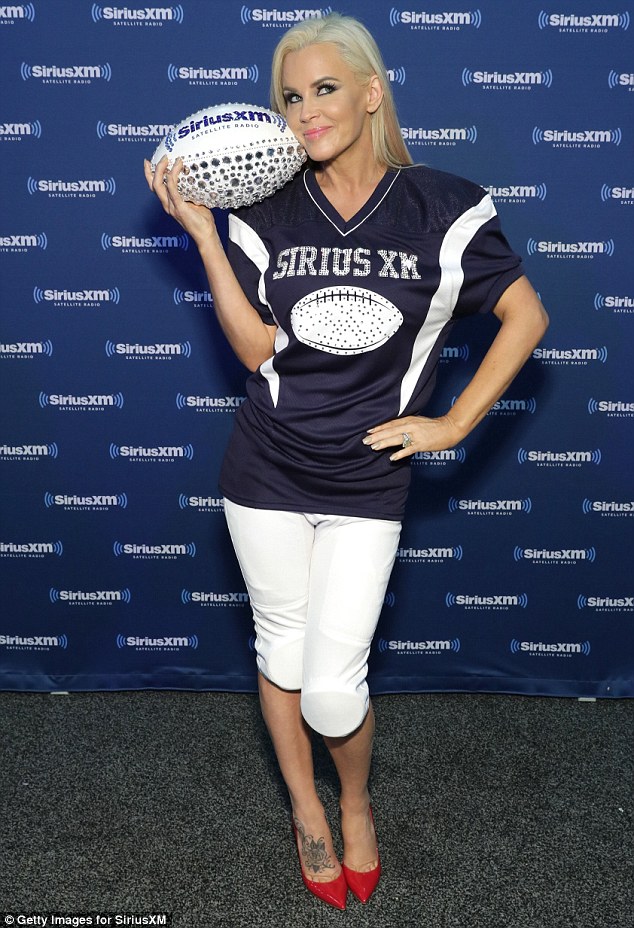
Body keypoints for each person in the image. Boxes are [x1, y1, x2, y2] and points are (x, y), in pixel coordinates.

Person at [144, 12, 549, 910]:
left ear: (370, 93)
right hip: (266, 468)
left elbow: (527, 317)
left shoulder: (445, 204)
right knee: (281, 648)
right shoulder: (263, 207)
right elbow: (256, 353)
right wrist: (206, 237)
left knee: (333, 689)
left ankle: (355, 801)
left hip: (369, 479)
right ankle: (310, 815)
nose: (307, 111)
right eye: (291, 96)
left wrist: (453, 423)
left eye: (326, 88)